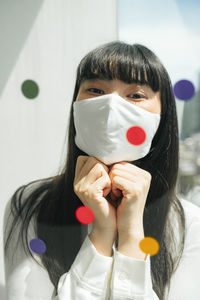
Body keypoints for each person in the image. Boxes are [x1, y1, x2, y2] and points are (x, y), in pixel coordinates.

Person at [3, 41, 200, 300]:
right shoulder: (31, 206)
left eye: (135, 95)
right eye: (95, 90)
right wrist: (101, 232)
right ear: (75, 104)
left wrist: (131, 234)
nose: (111, 106)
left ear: (163, 116)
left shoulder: (189, 224)